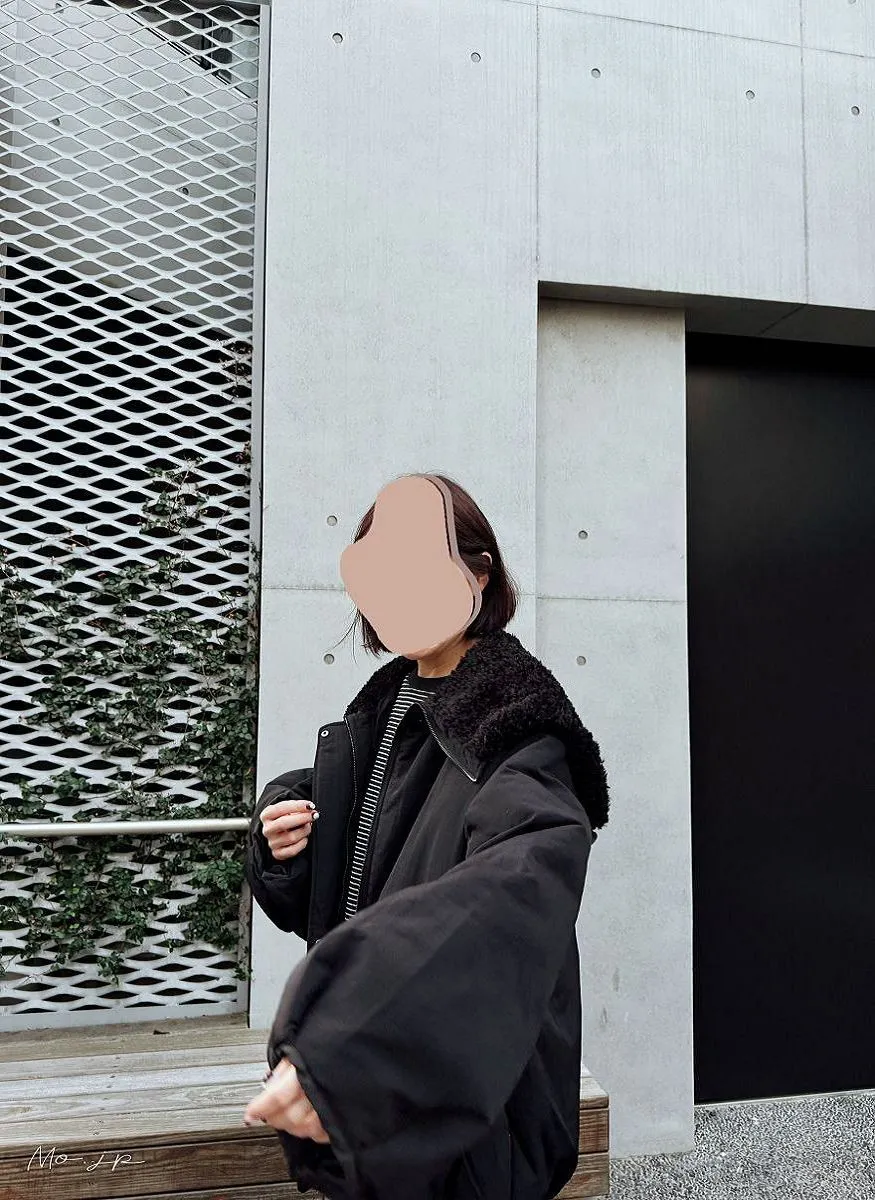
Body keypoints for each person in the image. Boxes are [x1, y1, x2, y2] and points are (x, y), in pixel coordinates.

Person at [243, 473, 610, 1200]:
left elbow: (522, 874)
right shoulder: (388, 704)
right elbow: (365, 858)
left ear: (479, 574)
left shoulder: (516, 721)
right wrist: (283, 834)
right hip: (395, 1095)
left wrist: (354, 1039)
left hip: (466, 1101)